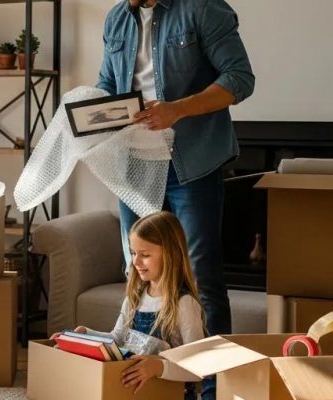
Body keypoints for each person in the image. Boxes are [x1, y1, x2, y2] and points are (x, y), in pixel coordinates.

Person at [97, 0, 254, 355]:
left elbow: (239, 78)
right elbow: (107, 83)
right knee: (138, 274)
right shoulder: (117, 18)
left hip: (193, 164)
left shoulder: (203, 8)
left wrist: (178, 109)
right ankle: (146, 379)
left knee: (200, 280)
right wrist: (91, 110)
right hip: (134, 167)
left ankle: (212, 388)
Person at [54, 211, 207, 399]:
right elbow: (117, 339)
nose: (135, 261)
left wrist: (159, 367)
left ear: (171, 254)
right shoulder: (135, 298)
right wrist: (86, 335)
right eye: (133, 253)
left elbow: (198, 367)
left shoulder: (184, 304)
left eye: (145, 255)